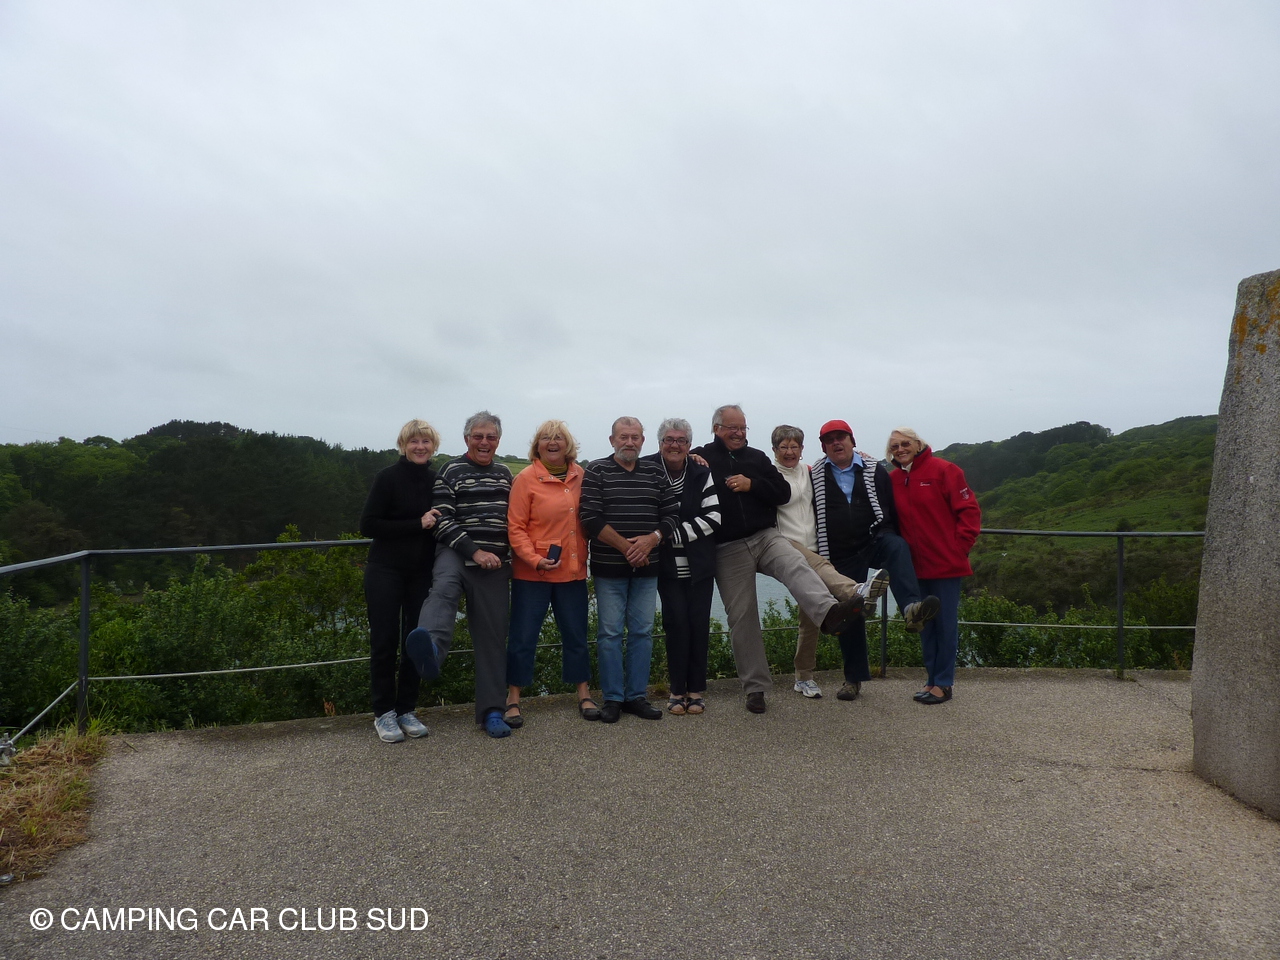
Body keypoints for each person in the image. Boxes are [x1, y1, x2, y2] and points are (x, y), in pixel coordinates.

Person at [690, 405, 869, 714]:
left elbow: (782, 492)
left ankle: (829, 614)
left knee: (796, 564)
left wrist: (752, 484)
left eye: (743, 428)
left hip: (765, 536)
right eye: (733, 428)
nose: (739, 433)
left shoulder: (757, 458)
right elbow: (679, 465)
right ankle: (755, 688)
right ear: (717, 429)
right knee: (742, 616)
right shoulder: (702, 457)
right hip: (727, 547)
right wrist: (691, 457)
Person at [809, 419, 941, 702]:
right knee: (852, 608)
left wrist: (888, 533)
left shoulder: (874, 470)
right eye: (829, 440)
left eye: (841, 437)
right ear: (823, 447)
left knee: (897, 546)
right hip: (840, 550)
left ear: (852, 441)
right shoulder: (815, 475)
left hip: (874, 538)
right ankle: (853, 679)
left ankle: (911, 608)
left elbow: (889, 508)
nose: (836, 443)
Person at [405, 411, 515, 738]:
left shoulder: (505, 474)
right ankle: (431, 652)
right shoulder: (451, 471)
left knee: (493, 637)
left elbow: (516, 519)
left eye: (490, 437)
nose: (484, 442)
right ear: (467, 439)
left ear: (498, 441)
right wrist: (473, 551)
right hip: (455, 552)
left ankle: (492, 711)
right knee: (443, 591)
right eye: (478, 436)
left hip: (495, 562)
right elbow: (442, 520)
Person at [771, 424, 889, 700]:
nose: (789, 451)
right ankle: (856, 590)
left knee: (810, 618)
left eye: (794, 446)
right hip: (787, 546)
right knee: (824, 586)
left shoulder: (810, 472)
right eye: (783, 447)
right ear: (774, 450)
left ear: (802, 449)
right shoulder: (769, 474)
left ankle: (803, 677)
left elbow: (846, 466)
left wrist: (865, 457)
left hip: (817, 546)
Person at [579, 417, 680, 723]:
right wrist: (628, 548)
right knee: (609, 633)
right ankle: (612, 698)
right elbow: (590, 517)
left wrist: (652, 540)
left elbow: (672, 514)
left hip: (648, 570)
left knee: (642, 632)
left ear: (642, 441)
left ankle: (636, 696)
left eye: (635, 437)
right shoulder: (597, 470)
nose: (629, 442)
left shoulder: (654, 472)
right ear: (612, 440)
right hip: (609, 569)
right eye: (623, 437)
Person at [504, 420, 598, 726]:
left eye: (559, 437)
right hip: (532, 574)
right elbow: (515, 527)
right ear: (538, 445)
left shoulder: (581, 475)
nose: (553, 442)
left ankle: (583, 693)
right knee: (523, 637)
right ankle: (513, 699)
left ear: (568, 444)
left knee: (576, 636)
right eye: (546, 438)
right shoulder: (525, 479)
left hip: (571, 572)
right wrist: (534, 559)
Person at [359, 419, 442, 743]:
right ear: (403, 445)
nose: (420, 447)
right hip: (385, 569)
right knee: (384, 640)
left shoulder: (436, 481)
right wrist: (416, 524)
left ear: (433, 446)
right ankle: (384, 713)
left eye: (425, 442)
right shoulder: (387, 478)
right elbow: (368, 525)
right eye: (414, 442)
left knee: (415, 641)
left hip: (421, 571)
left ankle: (406, 708)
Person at [886, 428, 981, 705]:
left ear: (918, 444)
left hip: (946, 564)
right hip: (913, 567)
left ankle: (944, 682)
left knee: (945, 625)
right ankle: (931, 679)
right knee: (924, 625)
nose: (900, 449)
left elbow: (969, 511)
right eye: (894, 446)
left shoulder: (944, 470)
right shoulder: (893, 479)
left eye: (905, 443)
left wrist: (959, 548)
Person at [643, 418, 721, 715]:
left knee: (698, 625)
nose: (674, 445)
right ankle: (677, 690)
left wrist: (666, 535)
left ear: (689, 445)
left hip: (699, 565)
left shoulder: (701, 472)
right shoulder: (647, 468)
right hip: (665, 566)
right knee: (675, 624)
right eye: (669, 439)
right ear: (660, 442)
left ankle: (696, 690)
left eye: (681, 440)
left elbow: (713, 517)